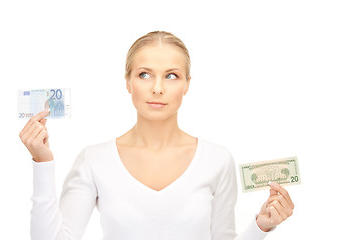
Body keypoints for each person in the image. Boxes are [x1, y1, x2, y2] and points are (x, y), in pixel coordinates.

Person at [19, 31, 294, 240]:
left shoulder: (217, 160)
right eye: (145, 74)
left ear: (187, 84)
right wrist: (42, 163)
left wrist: (262, 226)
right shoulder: (94, 160)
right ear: (128, 82)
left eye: (172, 76)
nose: (158, 88)